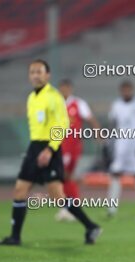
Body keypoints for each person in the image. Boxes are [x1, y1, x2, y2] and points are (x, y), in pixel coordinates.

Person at [0, 59, 102, 246]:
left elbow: (63, 124)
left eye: (39, 72)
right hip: (34, 147)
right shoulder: (32, 97)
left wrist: (50, 149)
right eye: (32, 72)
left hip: (49, 148)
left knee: (58, 196)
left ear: (47, 75)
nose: (35, 75)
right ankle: (15, 237)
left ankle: (91, 226)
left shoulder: (54, 96)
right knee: (20, 190)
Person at [55, 79, 101, 222]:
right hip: (58, 145)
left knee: (63, 176)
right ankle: (71, 208)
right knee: (65, 177)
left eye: (67, 87)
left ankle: (69, 208)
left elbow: (90, 119)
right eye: (62, 87)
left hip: (72, 146)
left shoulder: (78, 103)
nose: (65, 90)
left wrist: (97, 133)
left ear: (71, 88)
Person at [107, 80, 135, 218]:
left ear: (132, 90)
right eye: (124, 90)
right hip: (121, 146)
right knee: (115, 174)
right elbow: (113, 125)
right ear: (121, 91)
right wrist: (110, 143)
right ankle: (111, 210)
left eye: (128, 90)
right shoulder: (116, 105)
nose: (126, 92)